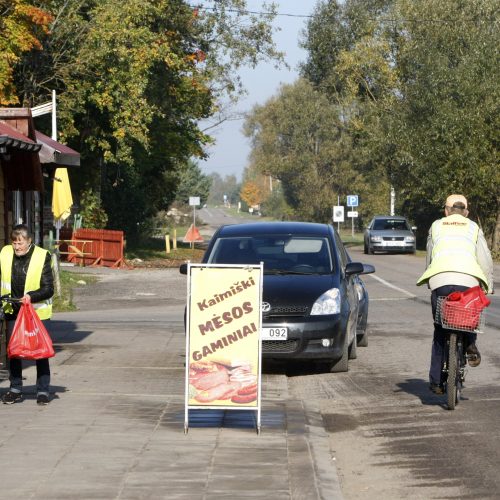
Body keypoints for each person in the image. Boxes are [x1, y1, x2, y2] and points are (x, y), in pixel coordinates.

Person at [417, 194, 494, 394]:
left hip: (440, 281)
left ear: (446, 211)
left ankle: (435, 381)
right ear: (466, 212)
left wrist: (431, 282)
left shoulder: (436, 226)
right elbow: (485, 260)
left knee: (439, 329)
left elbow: (430, 256)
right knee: (468, 316)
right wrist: (488, 285)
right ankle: (470, 343)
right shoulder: (473, 228)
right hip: (468, 281)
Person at [1, 224, 54, 405]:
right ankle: (15, 389)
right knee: (14, 351)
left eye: (20, 243)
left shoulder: (42, 256)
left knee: (40, 351)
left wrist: (31, 296)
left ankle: (43, 391)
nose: (17, 247)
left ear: (29, 241)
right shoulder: (5, 253)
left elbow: (49, 289)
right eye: (14, 242)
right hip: (12, 310)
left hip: (36, 311)